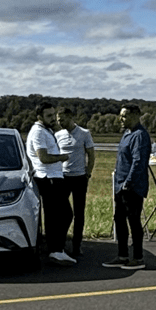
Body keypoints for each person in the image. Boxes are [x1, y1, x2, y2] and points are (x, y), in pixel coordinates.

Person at [26, 102, 75, 266]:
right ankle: (56, 249)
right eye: (49, 116)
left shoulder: (45, 130)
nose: (53, 118)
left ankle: (55, 248)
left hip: (51, 176)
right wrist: (62, 157)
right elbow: (44, 157)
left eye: (54, 115)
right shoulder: (39, 132)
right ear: (39, 117)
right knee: (63, 214)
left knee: (55, 215)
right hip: (49, 177)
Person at [104, 104, 151, 270]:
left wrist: (128, 183)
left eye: (124, 116)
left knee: (133, 220)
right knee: (119, 219)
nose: (120, 119)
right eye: (120, 116)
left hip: (132, 186)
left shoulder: (140, 135)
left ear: (136, 115)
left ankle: (138, 258)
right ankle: (122, 255)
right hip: (120, 184)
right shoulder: (126, 134)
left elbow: (139, 161)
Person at [55, 106, 96, 258]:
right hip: (63, 177)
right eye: (58, 120)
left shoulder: (84, 133)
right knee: (62, 212)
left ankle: (77, 245)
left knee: (79, 213)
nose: (60, 123)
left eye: (62, 119)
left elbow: (91, 154)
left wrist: (88, 172)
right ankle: (61, 242)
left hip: (79, 178)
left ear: (70, 117)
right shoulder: (58, 135)